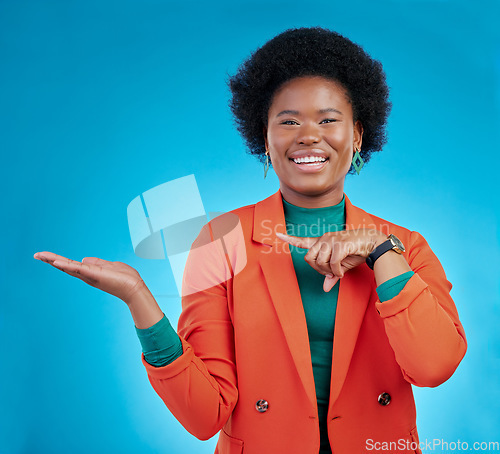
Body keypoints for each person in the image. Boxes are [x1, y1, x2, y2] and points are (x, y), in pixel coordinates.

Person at [34, 27, 466, 454]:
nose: (309, 135)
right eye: (289, 121)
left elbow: (433, 366)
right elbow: (205, 416)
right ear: (265, 138)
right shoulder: (221, 242)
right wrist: (138, 297)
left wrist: (379, 251)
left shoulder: (405, 245)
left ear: (357, 136)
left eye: (328, 120)